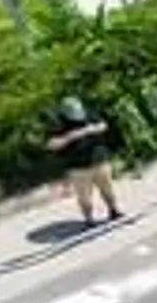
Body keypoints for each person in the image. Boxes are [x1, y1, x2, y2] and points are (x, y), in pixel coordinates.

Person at [46, 94, 123, 226]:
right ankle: (89, 218)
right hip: (78, 167)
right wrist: (70, 137)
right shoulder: (58, 123)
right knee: (84, 196)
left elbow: (103, 125)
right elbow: (51, 144)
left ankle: (114, 210)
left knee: (108, 189)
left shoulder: (89, 113)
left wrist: (90, 130)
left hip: (99, 160)